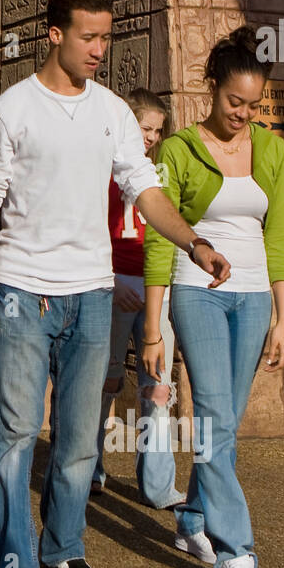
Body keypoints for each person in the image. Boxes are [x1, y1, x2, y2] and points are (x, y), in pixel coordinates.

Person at [0, 0, 232, 568]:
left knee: (82, 437)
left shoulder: (112, 111)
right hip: (22, 291)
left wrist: (194, 243)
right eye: (89, 36)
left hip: (93, 293)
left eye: (106, 37)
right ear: (53, 35)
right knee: (14, 437)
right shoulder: (12, 109)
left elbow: (144, 189)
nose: (99, 49)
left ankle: (61, 546)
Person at [142, 27, 284, 568]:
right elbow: (161, 238)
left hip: (254, 297)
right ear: (211, 88)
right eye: (235, 102)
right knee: (211, 413)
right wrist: (154, 327)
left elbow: (281, 236)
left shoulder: (273, 149)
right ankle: (237, 555)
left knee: (224, 424)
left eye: (254, 105)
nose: (243, 114)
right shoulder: (179, 149)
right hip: (196, 290)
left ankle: (193, 519)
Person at [92, 88, 187, 509]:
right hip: (111, 285)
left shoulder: (160, 172)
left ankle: (158, 484)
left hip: (153, 289)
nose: (150, 137)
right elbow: (85, 231)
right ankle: (88, 467)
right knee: (103, 381)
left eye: (156, 130)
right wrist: (112, 279)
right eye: (144, 127)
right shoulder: (99, 167)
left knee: (157, 387)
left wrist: (161, 286)